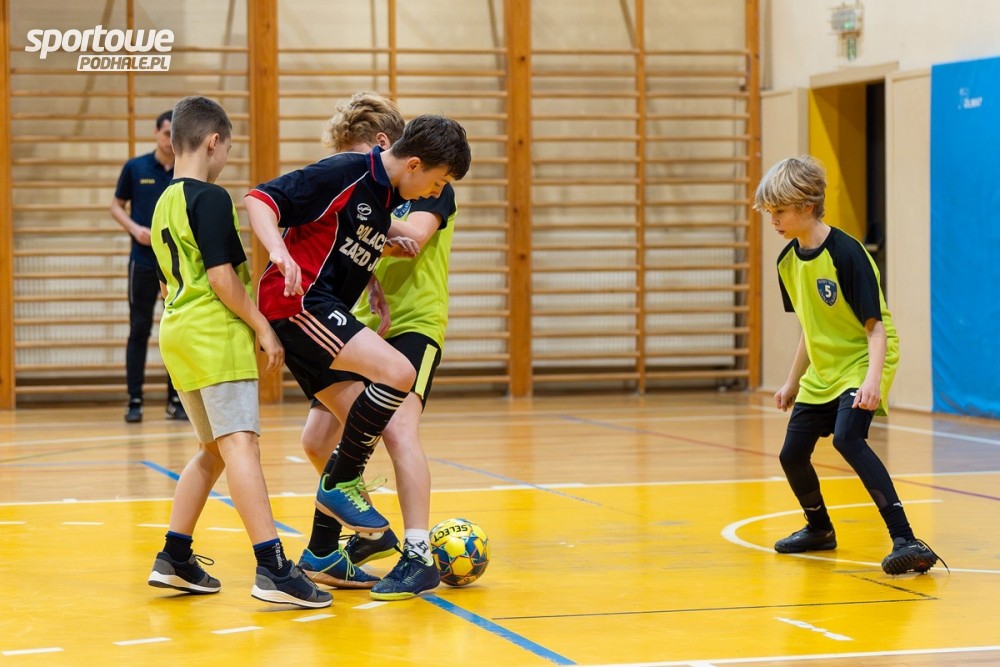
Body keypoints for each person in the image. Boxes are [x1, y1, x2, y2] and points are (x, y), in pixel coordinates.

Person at [245, 112, 470, 595]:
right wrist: (278, 253)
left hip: (356, 315)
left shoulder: (388, 196)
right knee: (396, 374)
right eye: (437, 181)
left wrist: (375, 272)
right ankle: (344, 490)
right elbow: (260, 198)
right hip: (303, 304)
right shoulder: (347, 171)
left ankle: (326, 551)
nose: (438, 191)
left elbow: (362, 238)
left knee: (349, 428)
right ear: (412, 163)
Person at [146, 96, 330, 608]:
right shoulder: (209, 198)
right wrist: (263, 328)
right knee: (241, 444)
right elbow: (222, 278)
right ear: (213, 142)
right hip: (213, 334)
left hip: (178, 332)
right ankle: (273, 568)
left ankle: (174, 556)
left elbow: (165, 282)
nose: (226, 157)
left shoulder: (161, 203)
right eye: (227, 148)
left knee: (212, 450)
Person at [754, 155, 942, 576]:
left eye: (779, 210)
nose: (773, 220)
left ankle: (906, 539)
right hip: (824, 368)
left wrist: (872, 382)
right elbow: (811, 327)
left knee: (847, 438)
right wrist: (792, 382)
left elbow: (876, 330)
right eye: (769, 212)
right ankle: (819, 529)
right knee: (791, 455)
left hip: (864, 357)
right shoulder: (787, 262)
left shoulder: (847, 253)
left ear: (806, 205)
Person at [111, 110, 187, 423]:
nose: (169, 140)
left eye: (174, 134)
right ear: (156, 133)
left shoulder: (185, 170)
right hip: (142, 262)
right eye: (166, 133)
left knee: (176, 329)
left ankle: (176, 400)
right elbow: (116, 206)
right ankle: (135, 400)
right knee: (139, 328)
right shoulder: (135, 167)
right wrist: (134, 229)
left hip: (176, 266)